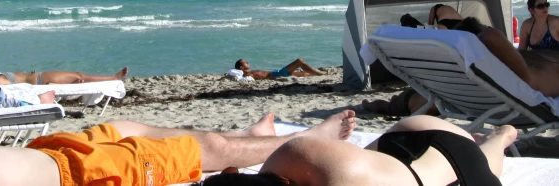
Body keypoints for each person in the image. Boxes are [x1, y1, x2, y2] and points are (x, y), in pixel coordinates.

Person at [0, 89, 356, 186]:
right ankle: (311, 138)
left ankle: (248, 133)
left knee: (139, 126)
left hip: (51, 153)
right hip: (85, 174)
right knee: (200, 153)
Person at [201, 115, 514, 186]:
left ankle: (500, 135)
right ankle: (499, 135)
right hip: (406, 134)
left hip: (451, 157)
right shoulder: (291, 155)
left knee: (490, 152)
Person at [0, 66, 129, 92]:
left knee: (78, 76)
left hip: (40, 77)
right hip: (41, 81)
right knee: (79, 76)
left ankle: (113, 77)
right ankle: (114, 77)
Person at [234, 59, 323, 80]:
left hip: (277, 73)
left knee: (302, 73)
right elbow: (243, 78)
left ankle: (319, 74)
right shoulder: (248, 74)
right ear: (242, 67)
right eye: (246, 63)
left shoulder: (250, 72)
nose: (248, 62)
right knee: (299, 61)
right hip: (276, 74)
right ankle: (319, 74)